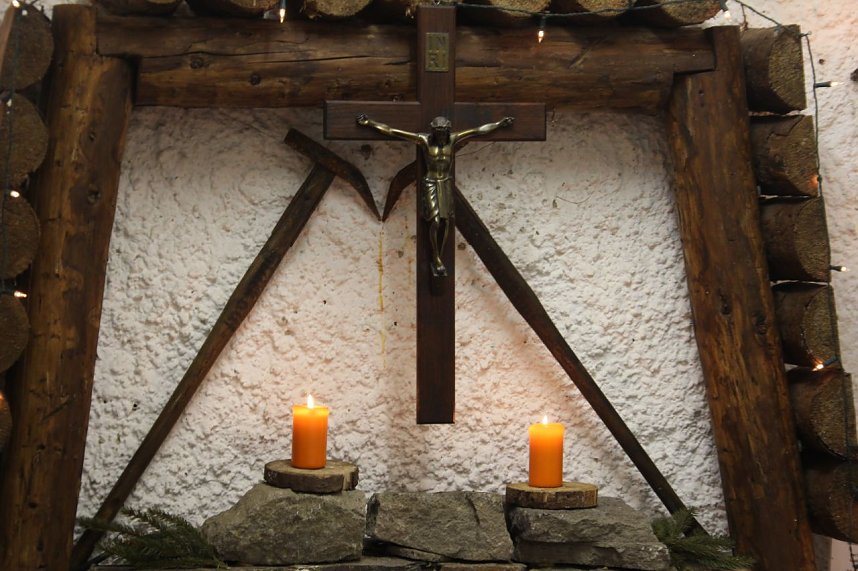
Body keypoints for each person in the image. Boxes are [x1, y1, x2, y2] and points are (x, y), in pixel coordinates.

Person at [357, 113, 514, 276]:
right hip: (431, 183)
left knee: (445, 222)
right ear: (433, 131)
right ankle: (436, 257)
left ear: (447, 131)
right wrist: (370, 123)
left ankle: (439, 255)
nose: (441, 136)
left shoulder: (452, 140)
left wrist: (499, 124)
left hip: (445, 183)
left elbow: (478, 131)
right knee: (436, 221)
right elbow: (392, 131)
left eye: (443, 132)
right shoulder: (425, 141)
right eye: (438, 132)